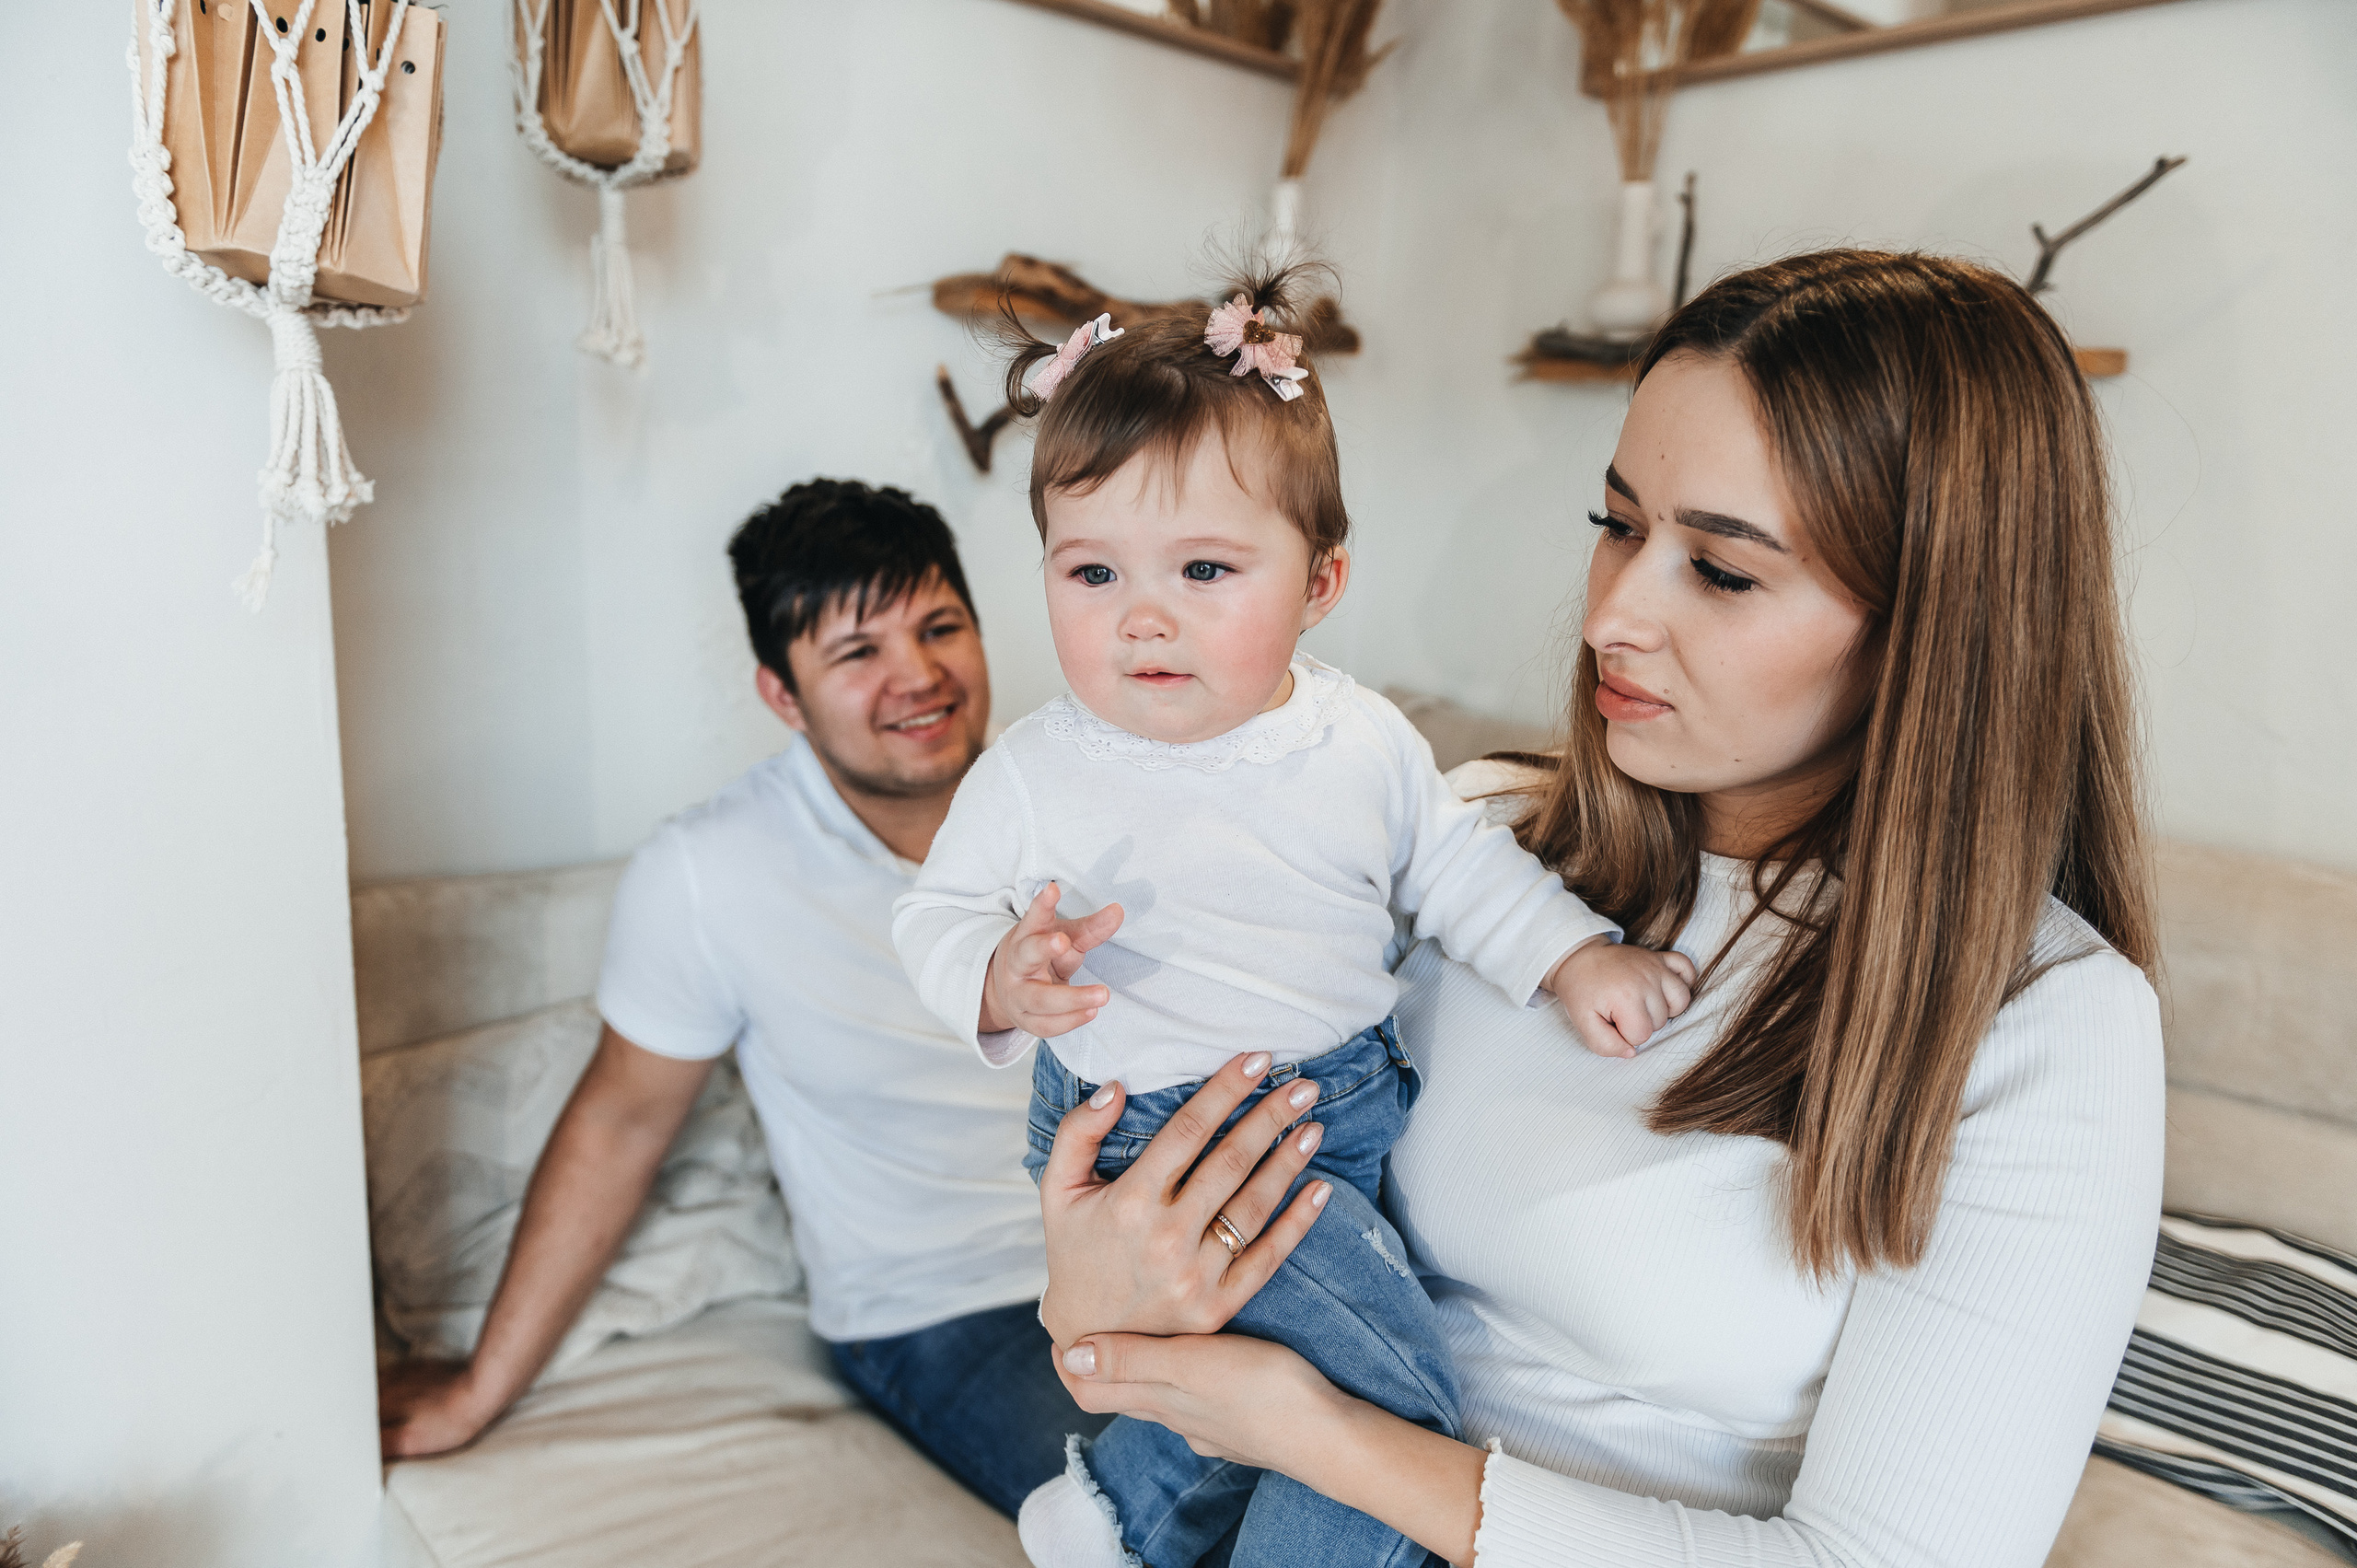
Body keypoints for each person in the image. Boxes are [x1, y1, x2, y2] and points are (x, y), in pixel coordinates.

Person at [1021, 250, 2168, 1568]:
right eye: (1616, 525)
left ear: (1935, 619)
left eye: (1722, 571)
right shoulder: (1485, 842)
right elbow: (1207, 1196)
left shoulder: (2049, 1019)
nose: (1613, 615)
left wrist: (1321, 1430)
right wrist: (1099, 1290)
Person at [892, 273, 1695, 1568]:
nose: (1142, 614)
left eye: (1204, 567)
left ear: (1321, 580)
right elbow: (930, 911)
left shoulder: (1361, 738)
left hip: (1340, 1109)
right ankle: (1117, 1514)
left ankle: (1113, 1511)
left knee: (1270, 1373)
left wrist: (1573, 955)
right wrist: (996, 972)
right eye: (1092, 569)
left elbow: (1458, 871)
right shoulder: (1041, 766)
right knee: (1397, 1403)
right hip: (1161, 1123)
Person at [375, 479, 1109, 1517]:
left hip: (1147, 1244)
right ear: (781, 692)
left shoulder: (1074, 796)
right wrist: (477, 1388)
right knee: (1175, 1523)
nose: (920, 676)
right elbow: (622, 1119)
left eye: (941, 626)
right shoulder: (710, 871)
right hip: (950, 1305)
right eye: (858, 652)